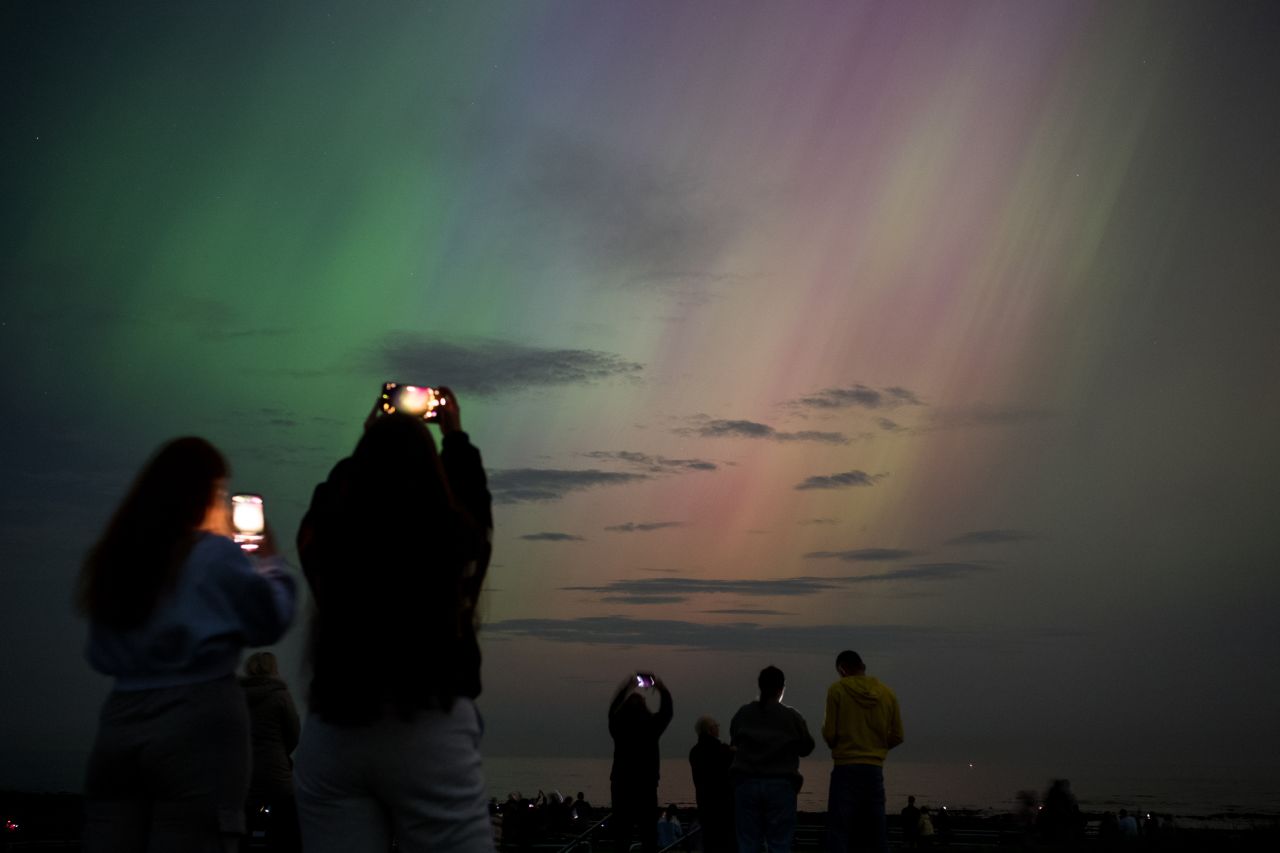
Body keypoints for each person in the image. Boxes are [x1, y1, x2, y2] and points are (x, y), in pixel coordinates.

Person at [293, 388, 495, 853]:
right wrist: (455, 436)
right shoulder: (454, 541)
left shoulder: (333, 542)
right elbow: (476, 509)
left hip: (336, 726)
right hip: (431, 723)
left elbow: (321, 513)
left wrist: (368, 441)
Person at [78, 437, 297, 853]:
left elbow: (98, 649)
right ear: (208, 494)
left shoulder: (117, 559)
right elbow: (269, 620)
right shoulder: (213, 555)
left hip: (120, 721)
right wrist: (269, 559)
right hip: (199, 724)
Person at [821, 650, 903, 853]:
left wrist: (835, 740)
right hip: (873, 768)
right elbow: (898, 735)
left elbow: (830, 734)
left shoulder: (837, 690)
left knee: (839, 829)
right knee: (877, 831)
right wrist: (877, 747)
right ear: (862, 666)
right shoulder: (887, 693)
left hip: (845, 768)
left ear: (841, 669)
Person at [729, 666, 815, 853]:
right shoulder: (792, 716)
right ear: (781, 688)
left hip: (746, 784)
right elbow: (807, 747)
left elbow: (733, 737)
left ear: (760, 686)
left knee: (748, 844)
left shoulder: (743, 713)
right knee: (780, 844)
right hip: (780, 785)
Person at [240, 651, 301, 852]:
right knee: (286, 830)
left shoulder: (238, 698)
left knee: (247, 830)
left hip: (246, 774)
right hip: (276, 776)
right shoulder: (280, 696)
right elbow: (293, 733)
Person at [608, 672, 674, 853]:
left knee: (622, 836)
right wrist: (660, 687)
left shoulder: (618, 726)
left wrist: (628, 686)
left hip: (621, 785)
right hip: (646, 785)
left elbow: (612, 711)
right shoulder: (651, 726)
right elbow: (667, 711)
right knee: (649, 836)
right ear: (645, 708)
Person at [689, 715, 735, 853]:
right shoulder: (722, 750)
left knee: (709, 842)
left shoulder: (694, 752)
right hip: (724, 804)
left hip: (704, 803)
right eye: (716, 726)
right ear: (710, 730)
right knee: (726, 842)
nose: (718, 728)